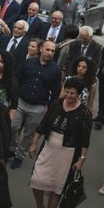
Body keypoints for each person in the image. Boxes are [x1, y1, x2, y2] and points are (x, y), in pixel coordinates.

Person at [28, 77, 92, 208]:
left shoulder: (84, 113)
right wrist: (34, 143)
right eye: (67, 92)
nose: (69, 96)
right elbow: (43, 124)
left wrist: (81, 160)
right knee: (36, 180)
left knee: (56, 188)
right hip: (48, 149)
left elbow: (85, 140)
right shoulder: (56, 104)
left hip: (67, 154)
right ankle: (39, 207)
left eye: (72, 93)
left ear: (78, 95)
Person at [11, 40, 62, 170]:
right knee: (13, 126)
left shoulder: (56, 70)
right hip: (21, 102)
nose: (50, 53)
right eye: (48, 49)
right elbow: (17, 78)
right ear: (41, 49)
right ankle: (12, 148)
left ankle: (19, 156)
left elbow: (56, 92)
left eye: (52, 51)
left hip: (38, 107)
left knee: (29, 134)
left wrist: (49, 109)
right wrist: (15, 97)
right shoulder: (28, 63)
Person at [0, 51, 19, 124]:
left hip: (0, 117)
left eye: (1, 62)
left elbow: (14, 104)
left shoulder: (11, 81)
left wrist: (8, 121)